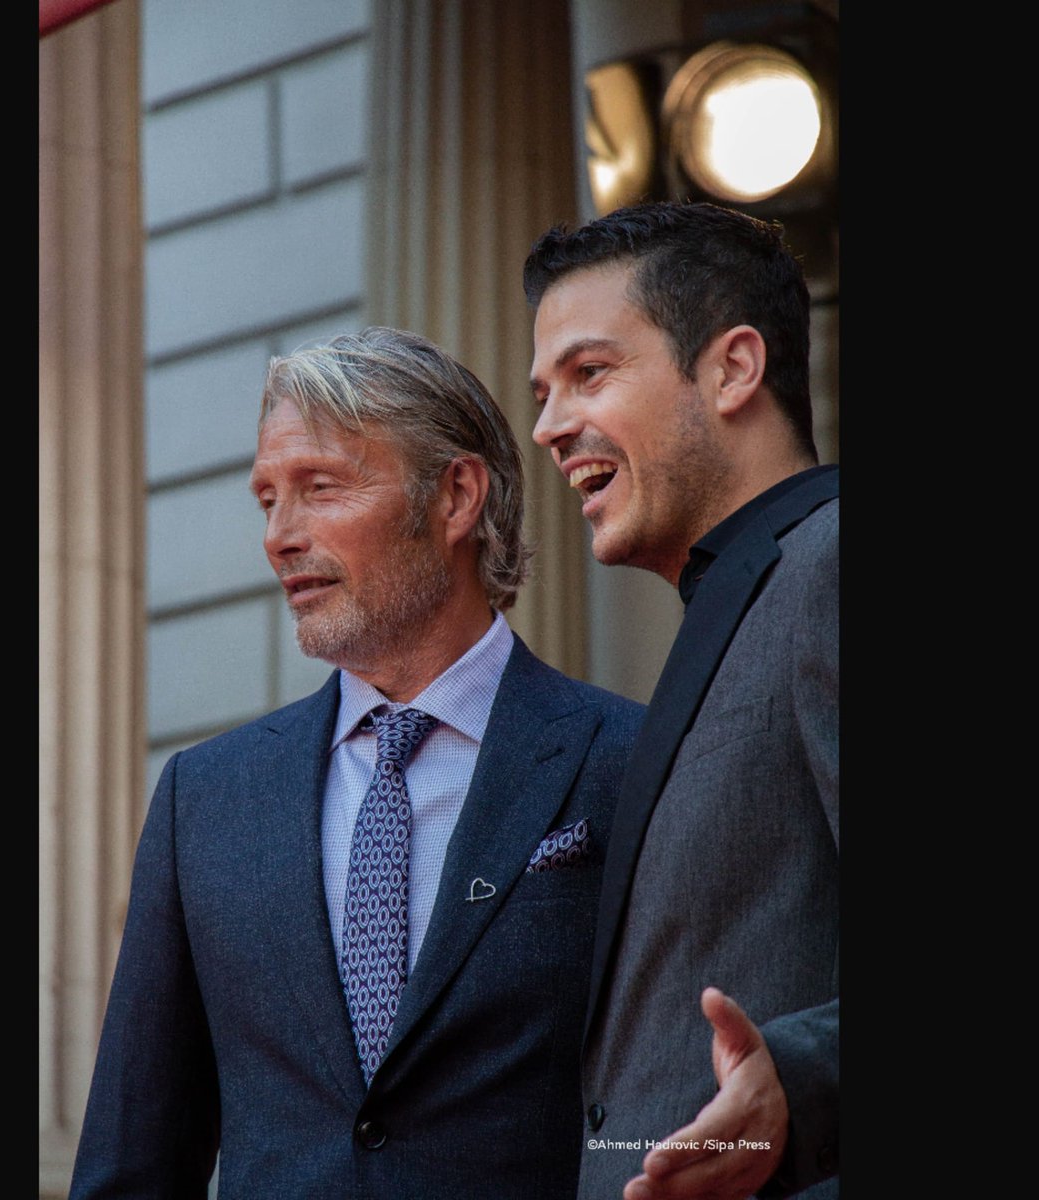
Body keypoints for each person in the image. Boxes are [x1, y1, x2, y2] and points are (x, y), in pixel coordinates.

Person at [70, 326, 645, 1199]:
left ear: (455, 496)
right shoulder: (207, 798)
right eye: (266, 499)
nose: (279, 536)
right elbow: (135, 1156)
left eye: (320, 488)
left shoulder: (630, 759)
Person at [524, 201, 838, 1200]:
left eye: (591, 372)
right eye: (544, 390)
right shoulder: (744, 598)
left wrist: (799, 1085)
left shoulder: (833, 565)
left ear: (733, 369)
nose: (547, 426)